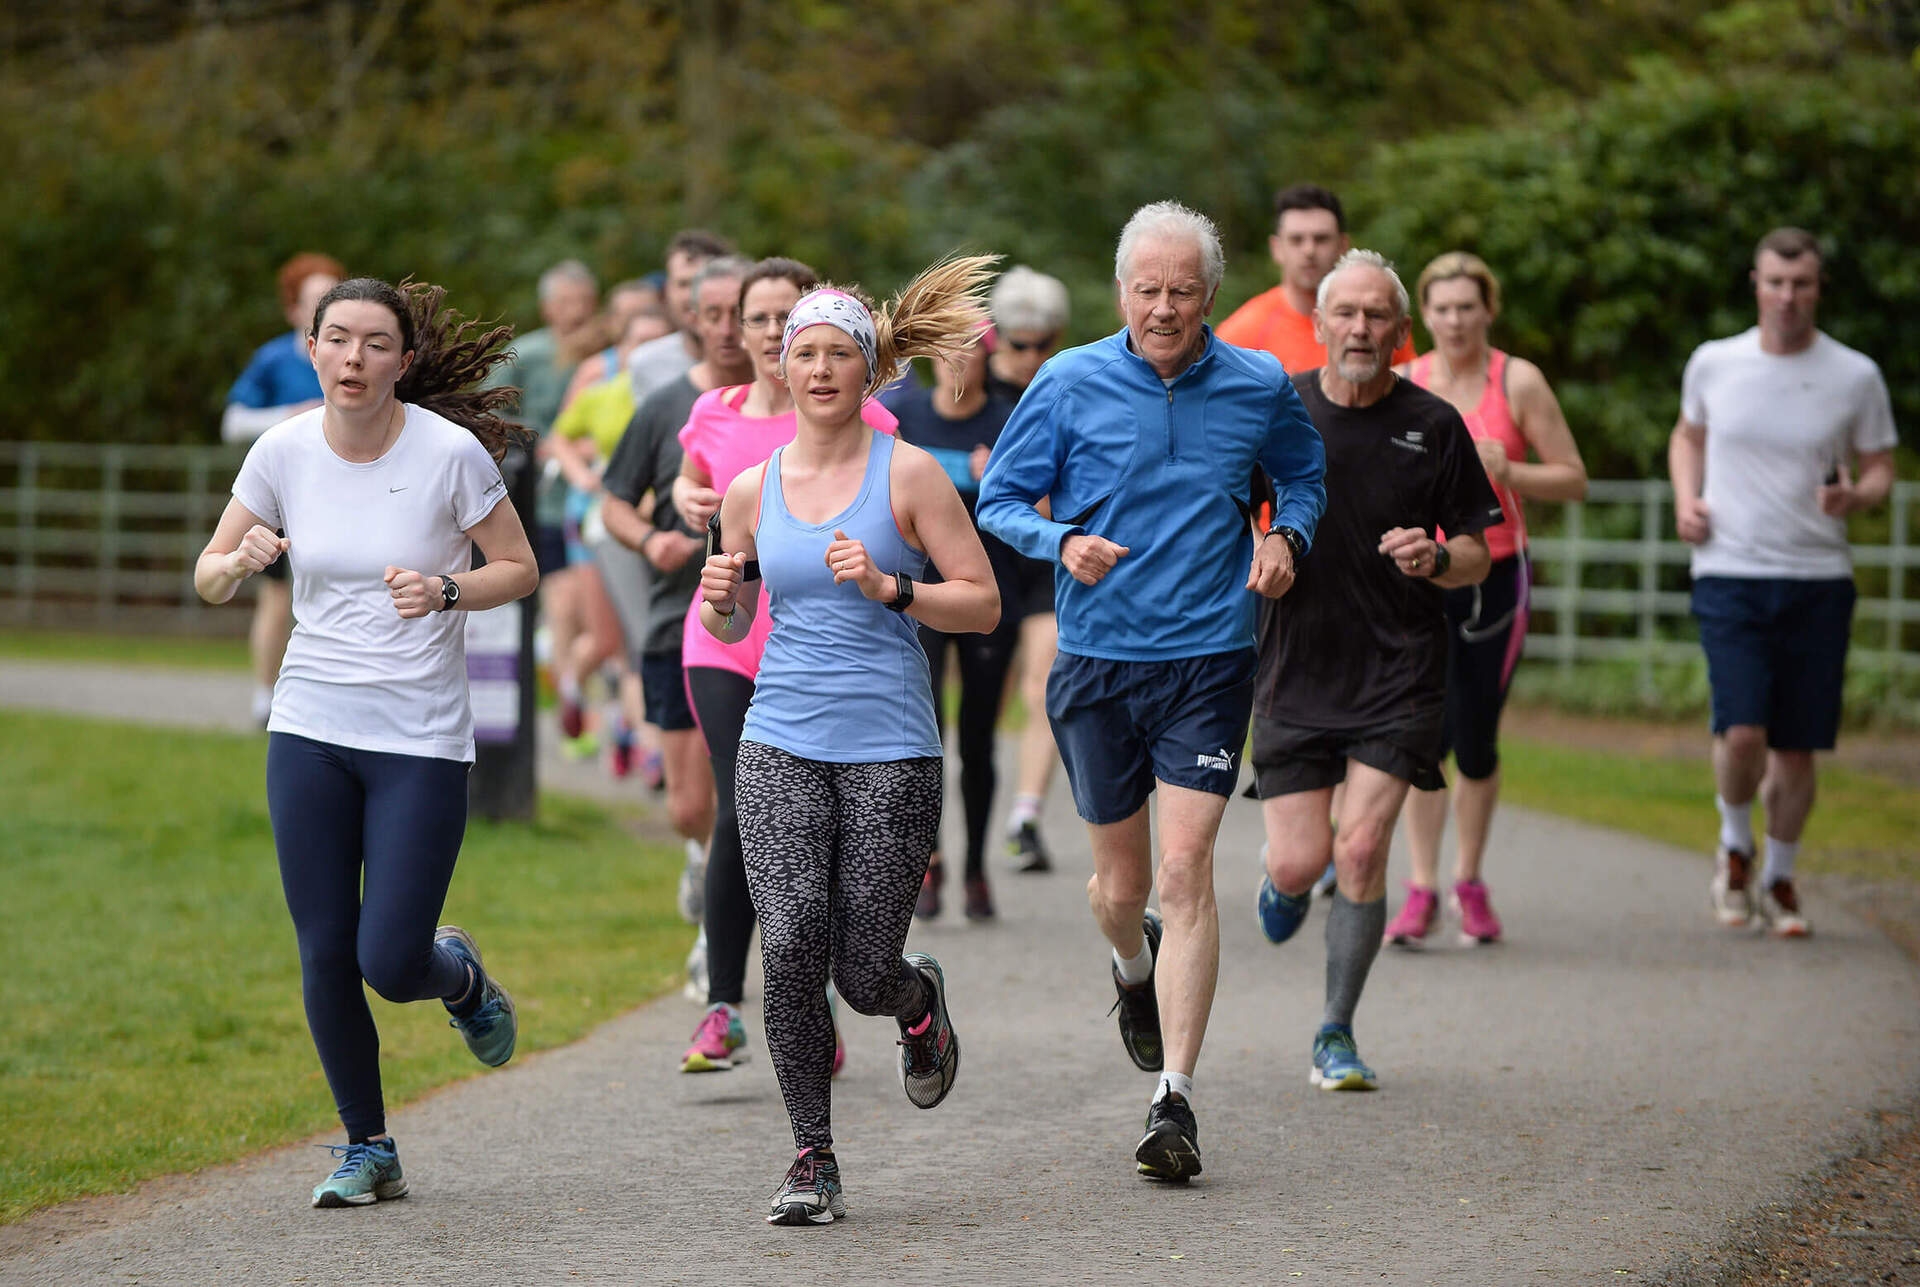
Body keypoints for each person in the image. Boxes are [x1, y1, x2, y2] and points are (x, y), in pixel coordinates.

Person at [978, 202, 1326, 1184]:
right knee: (1122, 891)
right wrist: (1060, 544)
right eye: (1147, 289)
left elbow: (1302, 477)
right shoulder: (1068, 379)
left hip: (1211, 658)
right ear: (1120, 289)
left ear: (1210, 295)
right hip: (1096, 663)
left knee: (1185, 875)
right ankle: (1133, 967)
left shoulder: (1259, 383)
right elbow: (1001, 500)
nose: (1164, 308)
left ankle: (1173, 1099)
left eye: (1182, 291)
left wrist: (1285, 537)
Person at [193, 277, 540, 1207]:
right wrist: (235, 562)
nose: (353, 358)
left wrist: (449, 589)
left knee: (389, 960)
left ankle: (458, 974)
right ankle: (368, 1144)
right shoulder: (281, 451)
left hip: (420, 736)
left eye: (374, 342)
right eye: (337, 339)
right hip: (308, 726)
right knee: (323, 947)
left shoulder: (450, 454)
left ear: (403, 360)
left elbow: (519, 566)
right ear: (311, 348)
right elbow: (208, 575)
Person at [698, 258, 1001, 1224]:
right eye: (804, 354)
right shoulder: (748, 487)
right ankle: (811, 1157)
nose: (820, 369)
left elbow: (983, 603)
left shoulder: (907, 473)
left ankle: (916, 1002)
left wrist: (892, 588)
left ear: (869, 375)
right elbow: (740, 617)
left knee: (861, 969)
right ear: (782, 369)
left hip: (891, 744)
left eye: (839, 355)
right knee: (788, 945)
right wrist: (726, 596)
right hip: (779, 736)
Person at [1249, 250, 1502, 1095]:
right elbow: (1218, 512)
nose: (1360, 328)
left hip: (1399, 671)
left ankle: (1335, 1032)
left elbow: (1478, 550)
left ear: (1403, 332)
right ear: (1319, 324)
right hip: (1293, 667)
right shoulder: (1275, 412)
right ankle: (1282, 886)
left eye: (1376, 316)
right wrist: (1258, 545)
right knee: (1298, 861)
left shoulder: (1432, 424)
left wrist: (1436, 555)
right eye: (1345, 313)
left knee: (1359, 850)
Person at [670, 258, 898, 1072]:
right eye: (753, 318)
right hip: (725, 638)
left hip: (823, 651)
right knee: (743, 805)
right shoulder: (713, 410)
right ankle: (724, 1004)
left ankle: (808, 983)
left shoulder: (867, 422)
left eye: (780, 318)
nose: (765, 332)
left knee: (817, 835)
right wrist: (686, 507)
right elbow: (692, 490)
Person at [1669, 227, 1898, 938]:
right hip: (1730, 569)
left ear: (1818, 288)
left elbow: (1882, 465)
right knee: (1743, 733)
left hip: (1816, 576)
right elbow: (1688, 435)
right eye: (1775, 281)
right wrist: (1686, 498)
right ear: (1756, 283)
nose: (1787, 296)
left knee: (1797, 747)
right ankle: (1736, 845)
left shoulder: (1854, 374)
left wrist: (1857, 496)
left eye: (1801, 284)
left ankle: (1781, 875)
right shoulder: (1715, 362)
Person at [1386, 253, 1589, 947]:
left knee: (1475, 737)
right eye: (1440, 308)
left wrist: (1514, 470)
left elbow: (1574, 478)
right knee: (1420, 737)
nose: (1453, 320)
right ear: (1425, 315)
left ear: (1488, 311)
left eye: (1466, 307)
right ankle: (1420, 887)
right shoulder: (1404, 382)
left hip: (1497, 581)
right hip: (1419, 577)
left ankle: (1469, 880)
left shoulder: (1518, 380)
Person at [600, 252, 758, 1007]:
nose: (728, 328)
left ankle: (728, 950)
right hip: (676, 618)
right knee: (693, 807)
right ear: (691, 317)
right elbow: (613, 501)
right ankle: (704, 866)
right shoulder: (668, 406)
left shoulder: (807, 408)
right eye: (714, 313)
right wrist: (648, 538)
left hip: (761, 632)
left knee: (743, 800)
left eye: (744, 312)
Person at [886, 330, 1019, 921]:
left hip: (989, 596)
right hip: (919, 594)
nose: (955, 360)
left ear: (989, 355)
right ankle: (929, 862)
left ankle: (974, 870)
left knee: (978, 739)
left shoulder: (1007, 418)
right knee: (926, 734)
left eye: (968, 347)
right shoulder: (901, 413)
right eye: (943, 349)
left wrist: (1001, 481)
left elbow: (1048, 506)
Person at [223, 253, 345, 726]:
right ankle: (264, 696)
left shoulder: (361, 356)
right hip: (284, 496)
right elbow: (232, 421)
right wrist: (292, 414)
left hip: (343, 494)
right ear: (294, 309)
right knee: (276, 598)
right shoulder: (273, 359)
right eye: (314, 300)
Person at [984, 265, 1073, 874]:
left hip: (1046, 556)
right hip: (984, 559)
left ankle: (1026, 814)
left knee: (1042, 685)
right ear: (996, 338)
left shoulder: (1066, 387)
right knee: (982, 700)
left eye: (1044, 343)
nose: (1031, 356)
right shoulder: (969, 393)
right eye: (1020, 343)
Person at [1215, 184, 1415, 373]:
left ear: (1342, 245)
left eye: (1321, 239)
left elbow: (1410, 390)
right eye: (1296, 240)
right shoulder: (1242, 333)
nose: (1309, 250)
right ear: (1276, 248)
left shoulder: (1376, 322)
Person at [627, 230, 735, 403]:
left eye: (703, 281)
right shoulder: (645, 364)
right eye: (683, 284)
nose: (693, 295)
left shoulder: (756, 361)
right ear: (667, 290)